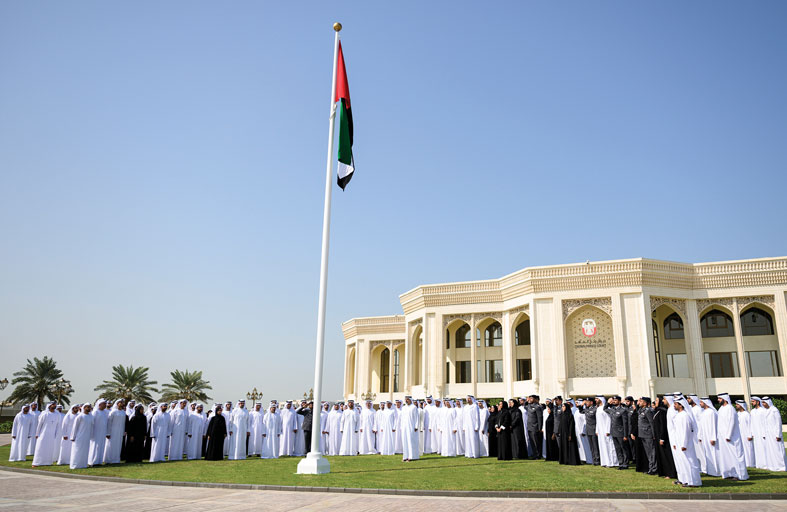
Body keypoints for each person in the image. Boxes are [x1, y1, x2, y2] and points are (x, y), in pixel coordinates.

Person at [715, 393, 748, 480]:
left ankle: (740, 475)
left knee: (735, 456)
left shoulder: (730, 408)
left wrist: (728, 435)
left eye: (719, 398)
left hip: (731, 437)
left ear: (724, 399)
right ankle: (729, 474)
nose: (718, 400)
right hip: (723, 438)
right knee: (726, 456)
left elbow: (731, 422)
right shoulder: (721, 409)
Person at [671, 397, 701, 487]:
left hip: (685, 444)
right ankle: (686, 480)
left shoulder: (685, 416)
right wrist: (676, 443)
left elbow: (686, 431)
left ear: (681, 405)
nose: (674, 406)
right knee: (683, 463)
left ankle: (694, 482)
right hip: (679, 443)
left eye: (676, 404)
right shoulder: (678, 415)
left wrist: (684, 444)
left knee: (690, 462)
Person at [653, 397, 677, 479]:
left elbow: (663, 426)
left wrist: (662, 438)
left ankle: (671, 473)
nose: (655, 402)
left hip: (663, 437)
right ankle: (665, 472)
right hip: (658, 436)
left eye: (657, 400)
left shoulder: (662, 412)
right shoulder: (658, 411)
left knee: (667, 456)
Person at [761, 397, 787, 471]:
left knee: (778, 450)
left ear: (768, 402)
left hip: (775, 434)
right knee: (770, 450)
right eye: (762, 402)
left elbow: (778, 423)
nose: (763, 404)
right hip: (768, 434)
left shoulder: (774, 410)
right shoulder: (766, 411)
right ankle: (773, 466)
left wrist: (778, 435)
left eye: (764, 402)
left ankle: (782, 467)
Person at [632, 397, 656, 474]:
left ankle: (654, 469)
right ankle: (650, 467)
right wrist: (638, 402)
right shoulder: (641, 410)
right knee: (648, 452)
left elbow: (651, 423)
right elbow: (637, 408)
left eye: (641, 401)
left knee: (651, 452)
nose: (640, 402)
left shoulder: (648, 411)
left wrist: (653, 434)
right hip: (642, 434)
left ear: (645, 403)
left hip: (648, 433)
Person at [696, 398, 721, 476]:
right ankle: (710, 471)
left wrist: (713, 437)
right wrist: (700, 436)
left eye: (701, 402)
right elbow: (701, 425)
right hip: (705, 437)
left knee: (713, 453)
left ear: (706, 403)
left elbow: (714, 425)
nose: (700, 404)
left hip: (710, 437)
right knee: (707, 454)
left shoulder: (711, 412)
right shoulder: (703, 413)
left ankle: (717, 471)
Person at [32, 402, 61, 467]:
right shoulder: (44, 414)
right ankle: (36, 463)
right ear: (49, 406)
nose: (54, 406)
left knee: (49, 449)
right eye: (53, 404)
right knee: (40, 448)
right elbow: (39, 425)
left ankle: (47, 462)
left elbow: (58, 425)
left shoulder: (57, 414)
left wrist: (56, 434)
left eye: (55, 405)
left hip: (51, 435)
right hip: (43, 434)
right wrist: (37, 433)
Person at [604, 395, 629, 470]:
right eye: (613, 400)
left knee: (623, 448)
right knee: (617, 449)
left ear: (619, 401)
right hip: (614, 432)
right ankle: (620, 463)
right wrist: (608, 403)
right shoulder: (612, 409)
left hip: (621, 432)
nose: (614, 401)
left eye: (615, 400)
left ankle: (625, 463)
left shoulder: (623, 410)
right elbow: (605, 409)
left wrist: (625, 435)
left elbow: (625, 423)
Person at [69, 403, 94, 469]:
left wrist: (91, 436)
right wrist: (72, 437)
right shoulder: (80, 416)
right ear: (84, 408)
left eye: (89, 407)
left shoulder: (91, 416)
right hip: (79, 437)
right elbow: (75, 427)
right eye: (87, 407)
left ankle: (83, 465)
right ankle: (74, 465)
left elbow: (91, 427)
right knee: (77, 451)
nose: (88, 408)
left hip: (87, 437)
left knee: (85, 451)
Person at [103, 399, 126, 464]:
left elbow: (123, 423)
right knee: (110, 445)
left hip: (120, 431)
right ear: (117, 403)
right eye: (120, 402)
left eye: (122, 402)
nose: (121, 404)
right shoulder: (113, 412)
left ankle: (116, 459)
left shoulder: (123, 412)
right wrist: (108, 433)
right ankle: (108, 460)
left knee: (118, 446)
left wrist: (123, 431)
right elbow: (109, 423)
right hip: (112, 431)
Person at [88, 399, 110, 466]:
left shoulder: (105, 412)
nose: (105, 405)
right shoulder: (95, 412)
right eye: (104, 404)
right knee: (95, 447)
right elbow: (92, 423)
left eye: (105, 404)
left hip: (102, 432)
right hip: (96, 432)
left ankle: (99, 461)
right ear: (99, 405)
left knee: (101, 446)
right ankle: (92, 462)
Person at [735, 400, 755, 467]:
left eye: (737, 404)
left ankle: (750, 463)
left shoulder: (746, 414)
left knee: (748, 450)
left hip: (746, 435)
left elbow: (750, 425)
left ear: (741, 405)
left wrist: (750, 435)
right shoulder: (737, 414)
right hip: (740, 435)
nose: (736, 406)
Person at [400, 396, 420, 461]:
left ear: (411, 400)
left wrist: (416, 426)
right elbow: (402, 418)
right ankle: (405, 456)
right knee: (405, 442)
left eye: (408, 400)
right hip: (404, 427)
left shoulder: (414, 407)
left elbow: (417, 418)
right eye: (406, 400)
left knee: (411, 441)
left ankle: (412, 456)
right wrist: (401, 426)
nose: (406, 401)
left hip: (411, 427)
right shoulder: (403, 408)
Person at [525, 395, 543, 460]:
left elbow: (540, 418)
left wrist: (540, 428)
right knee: (532, 442)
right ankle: (534, 454)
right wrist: (527, 401)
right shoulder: (529, 406)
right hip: (529, 427)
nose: (530, 399)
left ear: (535, 399)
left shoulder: (538, 407)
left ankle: (538, 455)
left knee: (536, 442)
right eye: (529, 398)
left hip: (535, 427)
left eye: (531, 398)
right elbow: (525, 406)